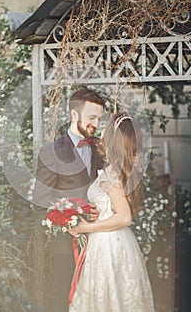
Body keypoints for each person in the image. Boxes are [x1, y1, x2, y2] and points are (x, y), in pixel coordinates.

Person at [68, 113, 155, 312]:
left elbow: (124, 217)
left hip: (109, 245)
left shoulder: (112, 174)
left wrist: (86, 227)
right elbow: (110, 207)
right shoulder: (112, 171)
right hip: (109, 241)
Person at [34, 88, 105, 312]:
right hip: (66, 245)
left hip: (101, 240)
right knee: (64, 298)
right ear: (75, 114)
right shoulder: (50, 152)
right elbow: (41, 199)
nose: (96, 123)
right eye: (92, 117)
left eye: (99, 118)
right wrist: (74, 216)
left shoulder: (102, 150)